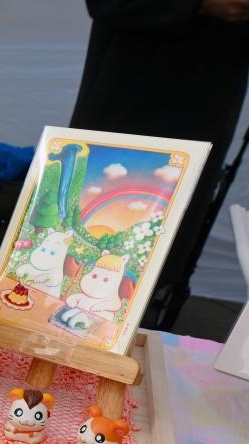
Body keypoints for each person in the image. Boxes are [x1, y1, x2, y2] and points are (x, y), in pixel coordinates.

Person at [69, 0, 249, 328]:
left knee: (159, 259)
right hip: (130, 103)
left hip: (208, 108)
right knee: (88, 245)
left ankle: (128, 329)